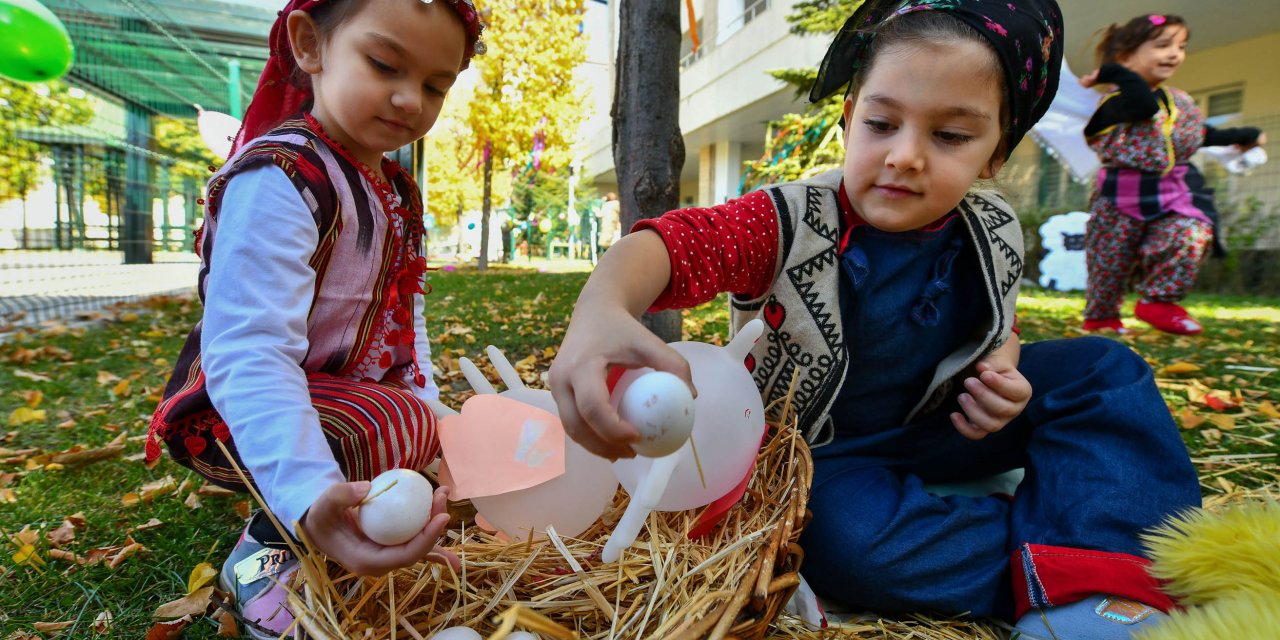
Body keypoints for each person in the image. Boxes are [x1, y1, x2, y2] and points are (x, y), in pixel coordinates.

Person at [548, 2, 1200, 639]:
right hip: (827, 456)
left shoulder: (994, 225)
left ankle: (1085, 553)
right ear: (848, 119)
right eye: (882, 124)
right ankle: (1088, 557)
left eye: (950, 136)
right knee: (851, 545)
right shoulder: (786, 221)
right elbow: (672, 245)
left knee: (1106, 368)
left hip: (945, 424)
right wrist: (603, 307)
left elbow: (1000, 318)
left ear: (997, 153)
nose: (905, 156)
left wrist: (1003, 370)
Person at [144, 0, 485, 636]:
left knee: (422, 420)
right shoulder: (280, 177)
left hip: (338, 398)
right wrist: (305, 488)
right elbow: (249, 351)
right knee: (393, 419)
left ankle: (351, 528)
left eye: (437, 85)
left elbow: (404, 314)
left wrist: (437, 427)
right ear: (310, 46)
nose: (411, 100)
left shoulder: (396, 191)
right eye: (385, 64)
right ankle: (265, 557)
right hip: (234, 409)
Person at [1080, 14, 1267, 335]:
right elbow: (1142, 108)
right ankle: (1102, 317)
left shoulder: (1179, 101)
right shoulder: (1115, 101)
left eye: (1181, 46)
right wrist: (1113, 72)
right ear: (1125, 57)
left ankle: (1158, 301)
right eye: (1163, 45)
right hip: (1119, 194)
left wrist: (1247, 134)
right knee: (1110, 259)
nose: (1175, 54)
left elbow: (1200, 135)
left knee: (1191, 231)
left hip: (1171, 192)